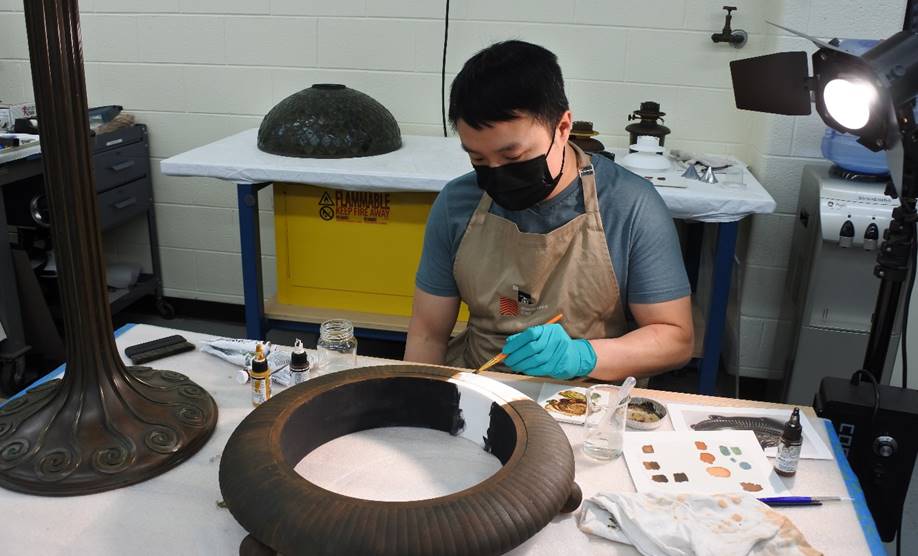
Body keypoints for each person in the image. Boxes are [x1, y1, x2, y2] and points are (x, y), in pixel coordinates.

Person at [404, 40, 693, 382]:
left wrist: (583, 355)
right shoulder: (457, 203)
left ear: (563, 127)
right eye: (478, 159)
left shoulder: (629, 205)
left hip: (589, 397)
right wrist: (416, 401)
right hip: (482, 383)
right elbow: (427, 333)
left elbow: (675, 338)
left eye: (513, 157)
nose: (496, 172)